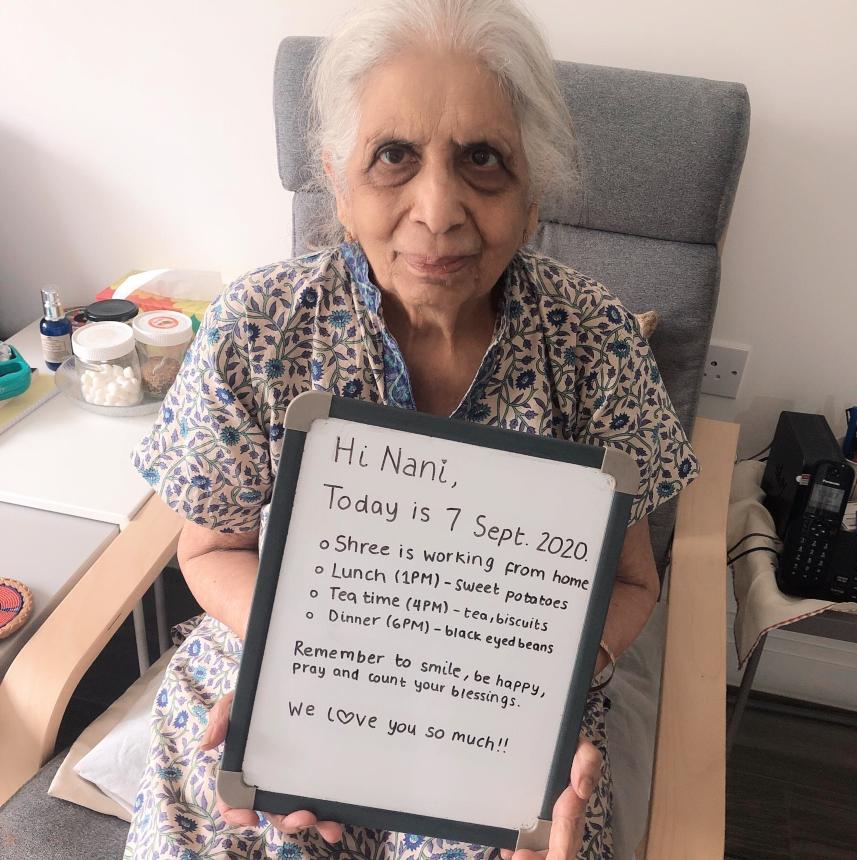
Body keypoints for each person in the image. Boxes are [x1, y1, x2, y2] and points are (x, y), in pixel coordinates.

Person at [126, 1, 699, 857]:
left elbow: (631, 583)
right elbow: (211, 551)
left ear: (533, 191)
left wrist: (519, 690)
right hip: (283, 675)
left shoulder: (595, 343)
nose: (438, 210)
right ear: (337, 176)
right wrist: (309, 678)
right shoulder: (258, 327)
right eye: (394, 156)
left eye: (483, 161)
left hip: (504, 711)